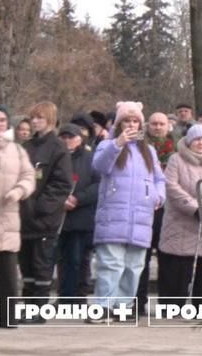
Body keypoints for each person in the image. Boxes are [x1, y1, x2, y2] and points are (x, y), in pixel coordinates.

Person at [92, 101, 165, 320]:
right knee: (111, 264)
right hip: (113, 216)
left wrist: (158, 196)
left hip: (141, 217)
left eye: (135, 121)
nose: (131, 125)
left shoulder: (148, 151)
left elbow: (159, 179)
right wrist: (118, 144)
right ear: (119, 124)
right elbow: (99, 166)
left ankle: (122, 307)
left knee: (134, 266)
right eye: (127, 121)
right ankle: (103, 306)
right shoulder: (107, 144)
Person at [159, 125, 202, 305]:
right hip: (180, 224)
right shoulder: (176, 159)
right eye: (197, 139)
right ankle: (172, 307)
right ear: (189, 141)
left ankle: (201, 307)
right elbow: (171, 187)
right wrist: (195, 208)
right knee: (177, 272)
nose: (201, 143)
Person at [19, 101, 73, 314]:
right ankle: (28, 307)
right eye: (33, 117)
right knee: (26, 266)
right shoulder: (27, 147)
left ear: (50, 119)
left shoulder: (58, 148)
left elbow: (61, 184)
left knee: (41, 265)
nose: (35, 121)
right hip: (24, 217)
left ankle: (39, 309)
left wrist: (40, 207)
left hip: (44, 219)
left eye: (39, 117)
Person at [0, 104, 34, 328]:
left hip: (8, 217)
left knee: (8, 273)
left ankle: (7, 316)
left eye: (2, 120)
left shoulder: (17, 150)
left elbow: (28, 176)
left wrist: (19, 191)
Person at [137, 111, 176, 310]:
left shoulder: (177, 147)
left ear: (168, 126)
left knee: (168, 259)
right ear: (147, 126)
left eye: (162, 124)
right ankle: (138, 301)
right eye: (154, 124)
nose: (158, 127)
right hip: (144, 206)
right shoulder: (139, 145)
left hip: (170, 210)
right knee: (140, 258)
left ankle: (168, 303)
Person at [57, 122, 100, 298]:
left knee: (78, 259)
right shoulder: (56, 157)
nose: (67, 140)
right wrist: (60, 200)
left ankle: (78, 295)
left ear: (80, 139)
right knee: (62, 260)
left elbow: (98, 184)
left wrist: (78, 198)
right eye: (64, 137)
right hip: (58, 217)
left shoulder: (90, 158)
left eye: (71, 137)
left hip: (81, 217)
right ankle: (64, 296)